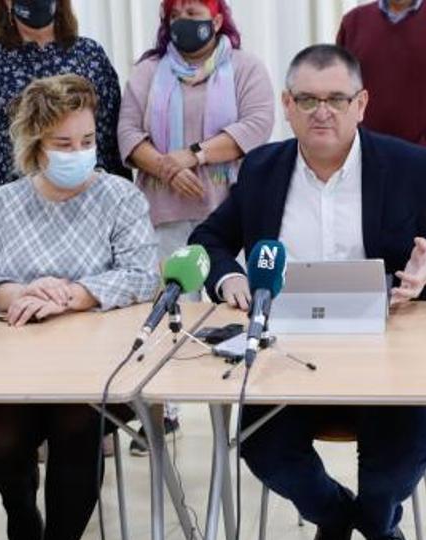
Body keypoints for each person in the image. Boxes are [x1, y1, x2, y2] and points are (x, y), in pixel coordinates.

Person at [189, 44, 426, 540]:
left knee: (398, 461)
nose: (322, 111)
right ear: (287, 106)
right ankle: (336, 517)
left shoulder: (415, 169)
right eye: (307, 100)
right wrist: (229, 278)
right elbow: (210, 240)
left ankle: (377, 523)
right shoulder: (264, 168)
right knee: (264, 448)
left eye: (336, 98)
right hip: (286, 352)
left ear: (362, 103)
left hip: (388, 351)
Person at [0, 74, 158, 540]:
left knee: (77, 424)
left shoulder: (119, 197)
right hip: (16, 365)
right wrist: (15, 292)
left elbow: (144, 275)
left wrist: (72, 295)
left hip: (93, 368)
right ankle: (20, 513)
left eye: (86, 140)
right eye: (63, 142)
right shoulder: (1, 204)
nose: (77, 152)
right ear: (36, 144)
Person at [118, 0, 275, 454]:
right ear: (167, 21)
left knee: (236, 308)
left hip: (231, 211)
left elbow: (258, 123)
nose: (189, 20)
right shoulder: (148, 72)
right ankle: (163, 411)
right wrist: (168, 170)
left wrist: (195, 155)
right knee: (171, 310)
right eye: (179, 11)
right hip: (164, 209)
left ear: (219, 17)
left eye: (197, 8)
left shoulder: (245, 67)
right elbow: (127, 134)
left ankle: (249, 399)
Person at [337, 0, 426, 440]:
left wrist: (419, 159)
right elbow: (342, 97)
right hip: (362, 174)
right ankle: (369, 385)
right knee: (371, 276)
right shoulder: (355, 23)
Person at [0, 0, 129, 224]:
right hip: (16, 220)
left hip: (89, 216)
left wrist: (120, 215)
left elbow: (111, 146)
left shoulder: (90, 57)